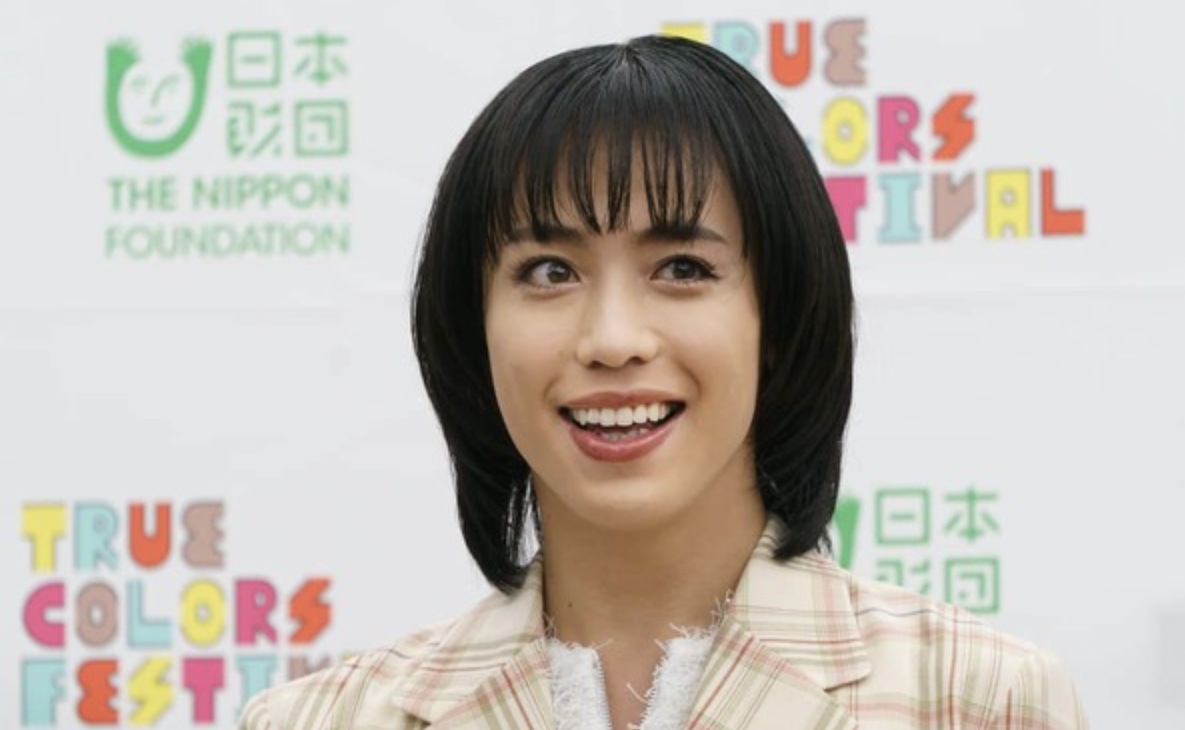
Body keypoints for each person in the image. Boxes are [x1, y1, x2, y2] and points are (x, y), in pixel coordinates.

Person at [240, 35, 1087, 730]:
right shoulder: (322, 720)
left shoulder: (977, 701)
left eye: (682, 267)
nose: (613, 340)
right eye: (549, 271)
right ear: (473, 330)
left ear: (779, 320)